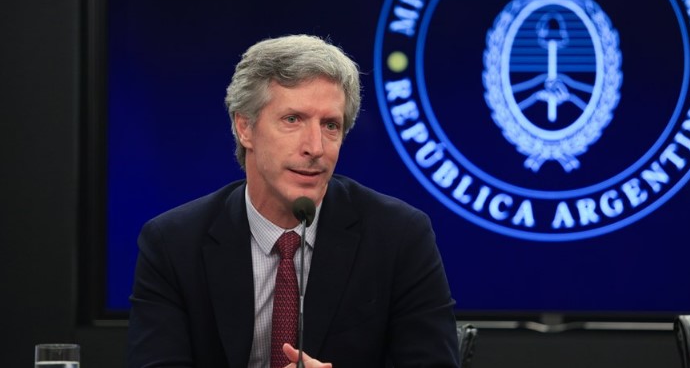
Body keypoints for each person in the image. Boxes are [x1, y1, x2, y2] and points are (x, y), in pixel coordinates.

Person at [127, 34, 460, 367]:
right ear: (245, 128)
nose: (315, 147)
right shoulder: (173, 243)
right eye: (293, 119)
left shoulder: (399, 237)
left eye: (330, 125)